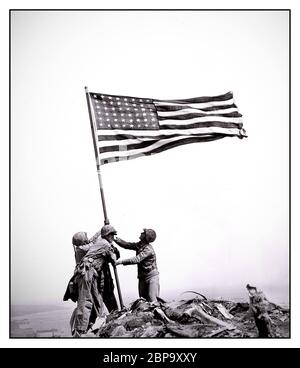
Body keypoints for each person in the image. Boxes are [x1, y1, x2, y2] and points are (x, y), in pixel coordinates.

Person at [64, 225, 119, 337]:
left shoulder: (85, 247)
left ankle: (95, 325)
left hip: (90, 274)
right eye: (111, 235)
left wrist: (102, 229)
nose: (88, 238)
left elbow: (93, 240)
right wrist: (111, 249)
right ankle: (80, 331)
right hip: (87, 274)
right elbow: (111, 257)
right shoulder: (84, 249)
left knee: (97, 302)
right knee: (86, 302)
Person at [114, 228, 160, 302]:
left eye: (143, 233)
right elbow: (128, 245)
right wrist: (117, 240)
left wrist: (121, 262)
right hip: (142, 277)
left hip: (151, 277)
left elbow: (137, 259)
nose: (141, 233)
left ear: (146, 237)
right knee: (143, 301)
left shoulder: (148, 249)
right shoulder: (140, 245)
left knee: (152, 299)